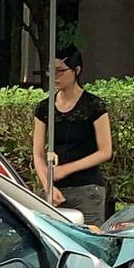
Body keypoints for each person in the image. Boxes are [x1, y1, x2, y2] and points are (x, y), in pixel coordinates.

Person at [31, 47, 114, 226]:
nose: (54, 76)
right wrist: (47, 185)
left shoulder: (94, 105)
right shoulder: (44, 108)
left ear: (76, 71)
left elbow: (105, 151)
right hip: (54, 189)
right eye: (50, 71)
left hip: (87, 188)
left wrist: (66, 169)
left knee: (89, 240)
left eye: (60, 71)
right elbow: (37, 152)